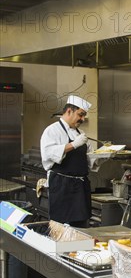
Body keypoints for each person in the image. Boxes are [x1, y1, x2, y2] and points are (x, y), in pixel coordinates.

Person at [40, 95, 92, 227]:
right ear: (69, 111)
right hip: (61, 185)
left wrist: (102, 157)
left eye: (84, 115)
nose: (83, 119)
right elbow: (48, 153)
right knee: (60, 227)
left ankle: (79, 247)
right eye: (80, 115)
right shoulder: (52, 131)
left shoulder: (79, 133)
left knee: (81, 226)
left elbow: (88, 157)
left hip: (80, 186)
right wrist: (73, 145)